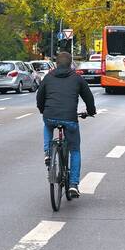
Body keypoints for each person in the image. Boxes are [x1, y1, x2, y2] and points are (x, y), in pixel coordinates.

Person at [37, 52, 96, 197]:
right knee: (75, 150)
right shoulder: (77, 78)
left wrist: (43, 110)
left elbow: (40, 96)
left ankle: (48, 153)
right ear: (70, 64)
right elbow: (88, 97)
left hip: (50, 116)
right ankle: (74, 185)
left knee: (47, 125)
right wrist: (90, 111)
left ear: (56, 64)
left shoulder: (48, 77)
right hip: (70, 119)